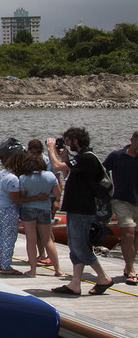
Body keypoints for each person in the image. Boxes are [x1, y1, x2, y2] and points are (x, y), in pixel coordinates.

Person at [53, 127, 117, 297]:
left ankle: (103, 277)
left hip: (83, 209)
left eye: (68, 141)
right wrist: (65, 158)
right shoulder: (80, 159)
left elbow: (56, 166)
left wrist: (51, 149)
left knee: (79, 245)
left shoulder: (87, 158)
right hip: (75, 207)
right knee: (74, 246)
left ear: (76, 141)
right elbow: (65, 171)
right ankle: (75, 283)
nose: (66, 144)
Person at [16, 149, 60, 278]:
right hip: (45, 209)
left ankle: (33, 270)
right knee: (47, 240)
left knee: (31, 239)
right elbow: (57, 193)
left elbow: (22, 195)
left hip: (28, 209)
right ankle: (58, 269)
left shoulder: (23, 178)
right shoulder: (50, 176)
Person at [102, 131, 138, 285]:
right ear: (132, 140)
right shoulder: (116, 156)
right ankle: (131, 269)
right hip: (121, 200)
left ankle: (127, 266)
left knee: (136, 236)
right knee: (128, 233)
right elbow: (101, 173)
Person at [0, 151, 23, 273]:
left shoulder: (2, 173)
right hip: (7, 208)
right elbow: (16, 199)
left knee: (2, 236)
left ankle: (0, 263)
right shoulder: (13, 179)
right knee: (9, 237)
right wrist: (36, 198)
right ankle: (6, 266)